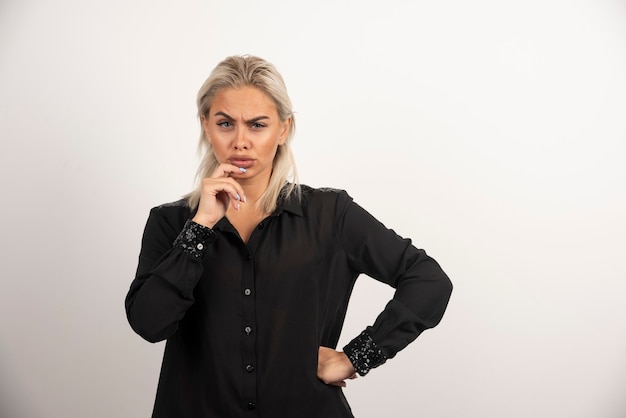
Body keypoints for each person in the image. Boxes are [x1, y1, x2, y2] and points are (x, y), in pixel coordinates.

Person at [125, 55, 453, 418]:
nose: (240, 142)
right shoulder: (171, 223)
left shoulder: (330, 215)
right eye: (225, 123)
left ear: (283, 129)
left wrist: (356, 357)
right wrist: (200, 226)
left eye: (257, 125)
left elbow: (428, 281)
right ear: (206, 125)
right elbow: (149, 324)